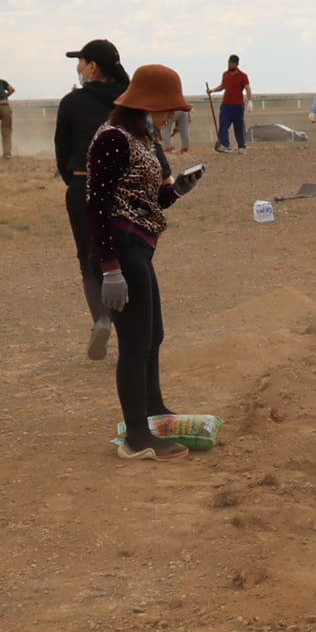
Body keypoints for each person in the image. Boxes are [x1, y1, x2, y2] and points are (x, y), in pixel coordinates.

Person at [87, 63, 205, 462]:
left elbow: (145, 199)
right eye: (168, 108)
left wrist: (178, 191)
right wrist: (110, 268)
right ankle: (137, 437)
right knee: (135, 344)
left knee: (153, 335)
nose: (171, 116)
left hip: (139, 245)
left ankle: (153, 410)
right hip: (121, 248)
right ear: (148, 103)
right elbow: (98, 207)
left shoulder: (142, 137)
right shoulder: (113, 139)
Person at [57, 40, 131, 359]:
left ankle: (101, 318)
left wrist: (76, 180)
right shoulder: (128, 99)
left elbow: (61, 151)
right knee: (125, 256)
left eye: (81, 61)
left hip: (83, 184)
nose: (78, 67)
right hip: (122, 187)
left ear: (92, 67)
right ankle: (130, 332)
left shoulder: (72, 102)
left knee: (89, 259)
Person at [213, 54, 250, 153]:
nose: (230, 65)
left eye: (232, 63)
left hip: (238, 106)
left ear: (237, 64)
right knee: (223, 125)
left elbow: (247, 88)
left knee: (239, 126)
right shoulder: (225, 74)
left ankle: (241, 146)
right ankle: (225, 145)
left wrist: (250, 101)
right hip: (225, 105)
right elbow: (223, 86)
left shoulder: (243, 76)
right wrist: (212, 90)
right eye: (229, 63)